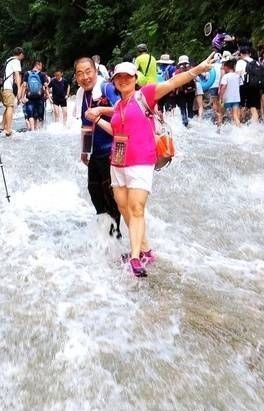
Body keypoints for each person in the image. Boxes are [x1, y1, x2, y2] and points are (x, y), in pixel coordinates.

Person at [92, 55, 216, 277]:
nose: (123, 80)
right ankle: (145, 250)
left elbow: (172, 83)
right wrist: (97, 118)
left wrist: (197, 69)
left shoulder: (145, 96)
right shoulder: (119, 105)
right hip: (118, 162)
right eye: (118, 77)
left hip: (140, 161)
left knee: (136, 208)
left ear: (135, 78)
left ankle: (135, 257)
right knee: (123, 207)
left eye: (127, 76)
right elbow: (117, 132)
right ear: (114, 81)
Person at [74, 56, 122, 239]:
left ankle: (117, 237)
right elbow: (86, 125)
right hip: (96, 152)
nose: (85, 77)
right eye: (80, 74)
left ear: (95, 71)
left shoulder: (106, 88)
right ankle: (106, 235)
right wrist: (85, 151)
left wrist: (101, 110)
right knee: (95, 192)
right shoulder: (82, 95)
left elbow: (123, 109)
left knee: (112, 197)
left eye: (88, 72)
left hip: (114, 151)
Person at [0, 47, 25, 136]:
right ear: (20, 54)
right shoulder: (16, 61)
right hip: (7, 87)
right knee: (10, 106)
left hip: (3, 87)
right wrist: (18, 89)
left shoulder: (8, 60)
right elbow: (17, 75)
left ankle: (2, 127)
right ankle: (8, 129)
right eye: (23, 54)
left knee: (7, 107)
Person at [236, 47, 264, 123]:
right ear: (250, 54)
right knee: (253, 105)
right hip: (255, 86)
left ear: (241, 54)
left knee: (242, 105)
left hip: (244, 86)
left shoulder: (240, 62)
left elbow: (237, 75)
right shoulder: (256, 62)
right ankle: (256, 124)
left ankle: (242, 123)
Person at [19, 59, 48, 131]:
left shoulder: (27, 73)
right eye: (41, 65)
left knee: (30, 115)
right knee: (39, 116)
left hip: (29, 97)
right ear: (37, 65)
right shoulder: (42, 74)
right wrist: (47, 95)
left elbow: (24, 85)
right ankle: (38, 130)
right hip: (39, 97)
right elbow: (45, 85)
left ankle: (32, 131)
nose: (41, 67)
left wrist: (22, 97)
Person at [218, 58, 242, 126]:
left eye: (224, 67)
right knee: (235, 116)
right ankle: (239, 129)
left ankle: (218, 130)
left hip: (227, 99)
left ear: (226, 67)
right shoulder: (237, 76)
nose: (223, 68)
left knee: (220, 114)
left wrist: (221, 97)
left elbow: (224, 87)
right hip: (236, 99)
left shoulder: (226, 76)